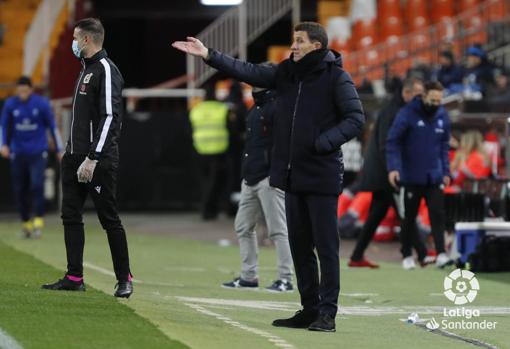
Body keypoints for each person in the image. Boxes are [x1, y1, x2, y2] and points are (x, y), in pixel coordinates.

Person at [173, 21, 365, 332]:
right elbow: (247, 70)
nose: (294, 46)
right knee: (300, 246)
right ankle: (308, 308)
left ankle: (327, 314)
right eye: (294, 40)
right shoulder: (285, 73)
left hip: (321, 175)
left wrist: (323, 143)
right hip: (290, 176)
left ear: (317, 46)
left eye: (300, 41)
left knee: (326, 247)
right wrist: (208, 54)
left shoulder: (336, 77)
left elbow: (356, 118)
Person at [41, 18, 133, 298]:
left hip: (98, 160)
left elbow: (110, 118)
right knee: (70, 215)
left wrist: (93, 158)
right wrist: (72, 154)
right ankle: (74, 276)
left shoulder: (106, 69)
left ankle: (124, 278)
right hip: (74, 157)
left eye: (75, 38)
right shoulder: (86, 70)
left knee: (109, 218)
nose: (73, 43)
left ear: (86, 40)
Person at [222, 85, 294, 292]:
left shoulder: (277, 108)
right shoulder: (256, 108)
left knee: (278, 230)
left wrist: (276, 174)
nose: (253, 84)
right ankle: (248, 276)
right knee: (243, 226)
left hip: (268, 178)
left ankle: (285, 278)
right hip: (251, 177)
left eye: (257, 80)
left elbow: (284, 144)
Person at [349, 78, 424, 268]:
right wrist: (394, 169)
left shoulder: (394, 109)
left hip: (383, 171)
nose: (420, 100)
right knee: (404, 211)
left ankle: (357, 256)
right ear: (406, 94)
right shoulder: (394, 112)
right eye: (417, 95)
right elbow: (386, 145)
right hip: (386, 172)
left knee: (378, 214)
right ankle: (422, 252)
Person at [386, 81, 451, 270]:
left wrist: (445, 171)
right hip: (411, 176)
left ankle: (441, 254)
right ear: (424, 96)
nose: (436, 103)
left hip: (434, 176)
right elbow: (393, 142)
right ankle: (406, 254)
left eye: (439, 100)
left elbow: (444, 147)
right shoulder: (407, 114)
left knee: (438, 215)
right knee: (409, 217)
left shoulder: (442, 116)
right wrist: (394, 168)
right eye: (432, 99)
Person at [0, 76, 63, 238]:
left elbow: (52, 127)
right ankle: (26, 222)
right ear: (16, 90)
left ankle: (38, 221)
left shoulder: (41, 104)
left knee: (37, 185)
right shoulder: (10, 104)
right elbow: (4, 126)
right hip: (18, 153)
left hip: (37, 152)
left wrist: (59, 149)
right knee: (21, 189)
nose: (22, 94)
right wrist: (3, 145)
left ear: (31, 89)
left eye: (25, 91)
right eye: (20, 91)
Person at [189, 83, 231, 220]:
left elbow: (190, 129)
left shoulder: (196, 110)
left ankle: (208, 210)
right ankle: (209, 210)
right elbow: (232, 128)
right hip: (218, 150)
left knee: (205, 182)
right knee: (215, 183)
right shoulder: (222, 109)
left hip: (200, 150)